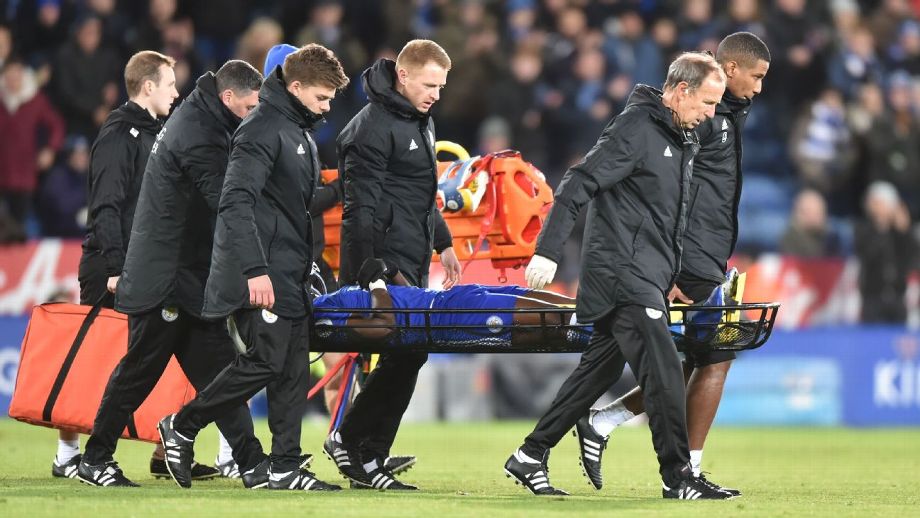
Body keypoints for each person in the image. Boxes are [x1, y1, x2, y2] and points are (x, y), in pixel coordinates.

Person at [504, 52, 732, 499]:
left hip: (646, 271)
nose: (710, 115)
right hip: (623, 273)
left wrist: (674, 271)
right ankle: (679, 477)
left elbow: (670, 216)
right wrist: (548, 251)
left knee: (596, 372)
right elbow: (578, 181)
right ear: (681, 91)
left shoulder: (682, 135)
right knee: (665, 368)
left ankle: (530, 454)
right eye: (707, 103)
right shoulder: (637, 129)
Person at [575, 32, 771, 497]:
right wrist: (674, 262)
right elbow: (668, 186)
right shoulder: (701, 115)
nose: (760, 88)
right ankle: (686, 472)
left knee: (685, 359)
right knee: (717, 354)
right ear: (730, 69)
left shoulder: (722, 112)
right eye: (757, 77)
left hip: (701, 252)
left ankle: (603, 421)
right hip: (689, 255)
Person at [157, 44, 349, 492]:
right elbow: (235, 201)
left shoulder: (296, 129)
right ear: (296, 86)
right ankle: (182, 425)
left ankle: (284, 465)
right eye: (321, 98)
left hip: (290, 269)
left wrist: (342, 188)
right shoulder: (261, 129)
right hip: (263, 270)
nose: (326, 108)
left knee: (292, 370)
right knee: (266, 361)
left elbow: (295, 206)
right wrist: (254, 269)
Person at [75, 60, 269, 488]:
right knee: (139, 371)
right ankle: (93, 458)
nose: (254, 114)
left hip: (187, 275)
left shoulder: (206, 120)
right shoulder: (198, 132)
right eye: (251, 106)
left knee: (219, 371)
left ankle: (253, 462)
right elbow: (225, 199)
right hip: (163, 276)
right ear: (229, 98)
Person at [325, 39, 462, 491]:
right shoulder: (370, 128)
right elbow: (358, 206)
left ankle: (363, 451)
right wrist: (371, 267)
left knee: (411, 352)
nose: (436, 94)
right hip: (382, 260)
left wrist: (443, 242)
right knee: (407, 350)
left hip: (411, 253)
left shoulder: (418, 119)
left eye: (441, 86)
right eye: (429, 84)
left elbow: (419, 193)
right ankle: (355, 445)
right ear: (403, 75)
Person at [55, 50, 185, 482]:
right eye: (169, 84)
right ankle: (66, 453)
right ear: (147, 87)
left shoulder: (155, 132)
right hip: (112, 267)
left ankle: (163, 450)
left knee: (148, 360)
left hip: (142, 266)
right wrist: (114, 267)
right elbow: (106, 207)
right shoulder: (118, 134)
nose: (176, 91)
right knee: (96, 360)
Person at [313, 259, 584, 349]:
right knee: (543, 318)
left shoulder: (331, 299)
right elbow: (388, 325)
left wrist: (391, 272)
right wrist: (377, 285)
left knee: (535, 298)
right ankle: (592, 331)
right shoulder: (328, 319)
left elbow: (409, 299)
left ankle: (588, 310)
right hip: (446, 321)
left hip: (445, 299)